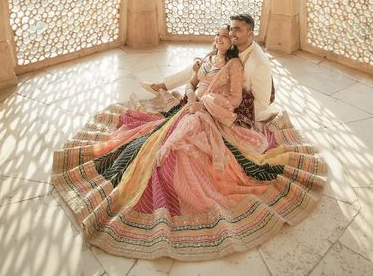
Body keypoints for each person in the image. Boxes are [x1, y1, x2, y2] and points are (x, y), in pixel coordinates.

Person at [52, 25, 327, 261]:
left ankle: (170, 153)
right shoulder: (207, 59)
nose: (220, 38)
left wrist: (204, 104)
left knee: (183, 141)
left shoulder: (234, 65)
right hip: (194, 106)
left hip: (212, 112)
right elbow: (190, 85)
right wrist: (192, 97)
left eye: (225, 36)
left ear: (233, 43)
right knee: (146, 138)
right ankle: (160, 153)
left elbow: (233, 99)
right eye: (218, 35)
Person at [142, 13, 274, 120]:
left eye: (237, 30)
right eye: (232, 29)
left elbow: (262, 103)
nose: (232, 34)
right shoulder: (237, 45)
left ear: (250, 34)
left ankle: (167, 86)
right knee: (203, 65)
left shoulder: (259, 65)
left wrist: (221, 110)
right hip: (214, 92)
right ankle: (164, 85)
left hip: (239, 101)